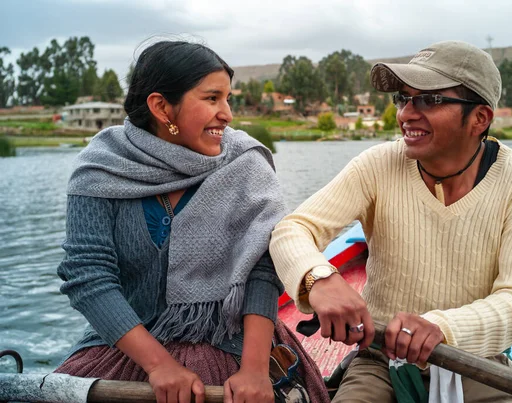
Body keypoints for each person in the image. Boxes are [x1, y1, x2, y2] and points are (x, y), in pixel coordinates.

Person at [270, 40, 512, 402]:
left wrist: (442, 327)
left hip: (473, 361)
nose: (406, 114)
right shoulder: (378, 164)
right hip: (381, 358)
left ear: (479, 118)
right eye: (403, 98)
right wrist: (318, 278)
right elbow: (292, 230)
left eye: (429, 100)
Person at [55, 40, 329, 403]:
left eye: (228, 98)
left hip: (235, 344)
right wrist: (159, 366)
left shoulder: (246, 163)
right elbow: (88, 276)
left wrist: (254, 370)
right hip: (125, 345)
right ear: (161, 107)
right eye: (212, 98)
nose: (227, 113)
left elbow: (263, 270)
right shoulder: (99, 169)